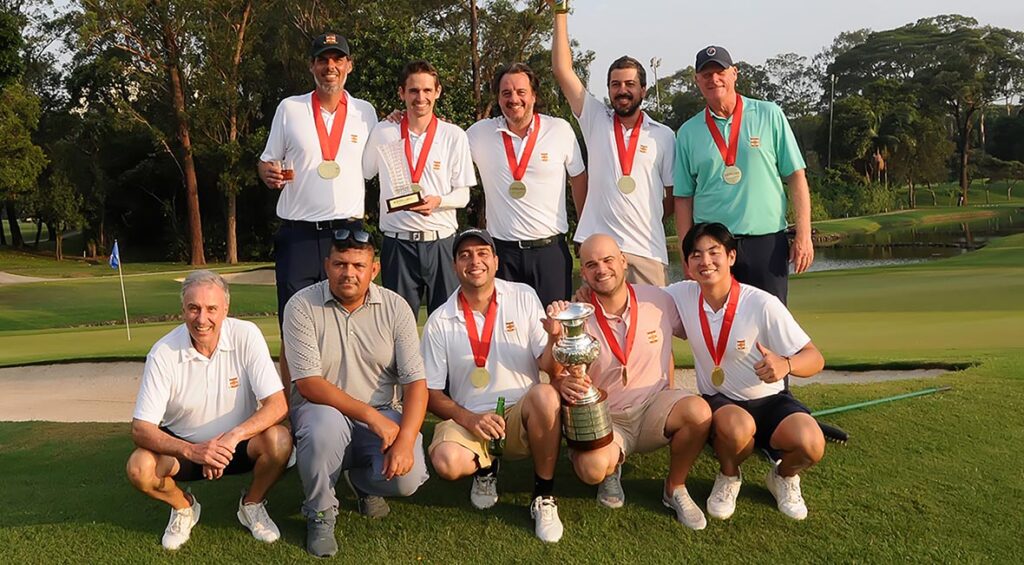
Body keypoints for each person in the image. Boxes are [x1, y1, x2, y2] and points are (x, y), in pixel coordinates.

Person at [282, 228, 429, 557]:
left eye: (358, 265)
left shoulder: (396, 307)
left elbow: (415, 382)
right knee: (324, 429)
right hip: (321, 409)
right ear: (326, 265)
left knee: (409, 477)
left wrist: (405, 439)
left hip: (381, 410)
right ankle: (320, 512)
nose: (348, 273)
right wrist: (371, 417)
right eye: (340, 264)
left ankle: (361, 483)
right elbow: (308, 383)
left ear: (373, 269)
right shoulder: (301, 306)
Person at [664, 222, 826, 521]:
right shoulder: (681, 295)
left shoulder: (761, 303)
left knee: (811, 443)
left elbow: (815, 358)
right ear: (686, 263)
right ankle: (729, 475)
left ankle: (783, 476)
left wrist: (786, 364)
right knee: (738, 430)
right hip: (722, 400)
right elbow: (634, 299)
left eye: (714, 252)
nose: (706, 261)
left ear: (731, 257)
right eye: (696, 255)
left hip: (771, 401)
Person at [549, 234, 711, 530]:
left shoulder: (659, 299)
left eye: (609, 260)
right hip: (607, 419)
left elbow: (701, 328)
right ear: (583, 273)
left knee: (698, 412)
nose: (602, 269)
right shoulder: (577, 313)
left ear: (623, 261)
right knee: (591, 470)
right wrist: (560, 379)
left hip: (654, 408)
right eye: (591, 264)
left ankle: (675, 487)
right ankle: (611, 469)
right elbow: (557, 370)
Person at [126, 270, 292, 551]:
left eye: (211, 309)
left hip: (239, 446)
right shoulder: (163, 352)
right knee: (139, 468)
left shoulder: (246, 335)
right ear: (183, 310)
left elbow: (278, 404)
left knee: (281, 441)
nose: (202, 319)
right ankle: (184, 507)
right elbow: (141, 429)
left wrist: (231, 438)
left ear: (226, 309)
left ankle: (251, 503)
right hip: (184, 452)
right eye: (194, 308)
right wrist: (193, 451)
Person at [421, 228, 565, 543]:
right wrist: (469, 418)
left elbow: (549, 367)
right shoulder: (440, 320)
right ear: (455, 265)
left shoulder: (523, 295)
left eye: (483, 253)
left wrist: (555, 338)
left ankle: (543, 496)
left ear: (496, 261)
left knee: (545, 394)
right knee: (446, 461)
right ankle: (486, 470)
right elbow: (430, 393)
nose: (475, 261)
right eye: (465, 255)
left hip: (519, 415)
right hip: (472, 420)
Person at [257, 31, 378, 388]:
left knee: (352, 324)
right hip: (299, 233)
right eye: (323, 59)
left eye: (338, 59)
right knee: (293, 324)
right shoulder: (289, 108)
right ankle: (295, 411)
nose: (330, 66)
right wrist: (267, 173)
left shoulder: (365, 112)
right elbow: (267, 162)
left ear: (349, 66)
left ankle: (356, 402)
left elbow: (380, 159)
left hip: (348, 233)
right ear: (312, 66)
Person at [673, 46, 813, 304]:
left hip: (767, 242)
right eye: (706, 74)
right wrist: (687, 252)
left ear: (734, 73)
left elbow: (796, 176)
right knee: (720, 325)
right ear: (697, 81)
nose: (714, 79)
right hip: (713, 248)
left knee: (770, 327)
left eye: (720, 72)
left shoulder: (769, 114)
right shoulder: (687, 132)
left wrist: (804, 234)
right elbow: (682, 197)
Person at [549, 4, 675, 286]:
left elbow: (672, 196)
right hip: (599, 253)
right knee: (596, 330)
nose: (622, 90)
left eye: (630, 84)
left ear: (643, 90)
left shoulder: (664, 135)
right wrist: (560, 12)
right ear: (608, 89)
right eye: (615, 84)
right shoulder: (595, 119)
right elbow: (561, 69)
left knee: (652, 329)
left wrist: (645, 211)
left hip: (648, 251)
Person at [466, 62, 587, 307]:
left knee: (555, 330)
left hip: (549, 251)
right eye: (506, 93)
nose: (514, 99)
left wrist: (584, 232)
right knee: (508, 334)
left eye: (521, 92)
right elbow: (444, 146)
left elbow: (579, 179)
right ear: (498, 98)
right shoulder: (478, 134)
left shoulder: (559, 129)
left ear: (534, 95)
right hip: (502, 254)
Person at [363, 60, 476, 317]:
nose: (420, 97)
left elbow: (463, 194)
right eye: (413, 91)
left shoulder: (453, 134)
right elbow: (363, 173)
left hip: (441, 242)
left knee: (448, 324)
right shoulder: (383, 131)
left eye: (427, 90)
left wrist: (438, 201)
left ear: (437, 92)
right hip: (398, 243)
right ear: (401, 93)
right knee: (397, 328)